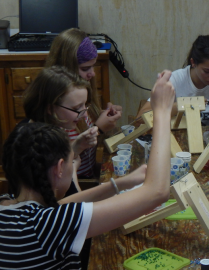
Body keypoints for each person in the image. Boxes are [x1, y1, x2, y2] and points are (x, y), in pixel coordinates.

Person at [0, 70, 175, 269]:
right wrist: (162, 111)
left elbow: (60, 206)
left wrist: (121, 183)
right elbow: (157, 192)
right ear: (59, 168)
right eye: (71, 160)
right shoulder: (48, 226)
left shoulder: (8, 204)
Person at [46, 28, 122, 179]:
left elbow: (83, 125)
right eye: (85, 68)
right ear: (66, 69)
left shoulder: (79, 97)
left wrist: (102, 116)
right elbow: (58, 161)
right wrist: (99, 129)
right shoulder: (57, 109)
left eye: (93, 66)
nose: (92, 73)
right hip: (71, 182)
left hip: (89, 173)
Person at [137, 35, 209, 126]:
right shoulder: (174, 80)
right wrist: (182, 105)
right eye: (207, 71)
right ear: (193, 62)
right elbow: (139, 119)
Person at [23, 66, 99, 192]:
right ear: (50, 108)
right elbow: (73, 203)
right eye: (76, 108)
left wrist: (76, 148)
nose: (85, 114)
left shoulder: (42, 129)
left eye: (85, 105)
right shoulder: (38, 145)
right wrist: (72, 168)